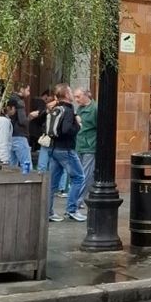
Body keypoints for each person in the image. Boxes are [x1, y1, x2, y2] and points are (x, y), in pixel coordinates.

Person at [45, 83, 86, 223]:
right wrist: (78, 125)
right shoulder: (68, 110)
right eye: (70, 91)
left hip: (53, 148)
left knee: (52, 183)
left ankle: (48, 212)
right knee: (79, 177)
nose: (72, 93)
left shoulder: (56, 108)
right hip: (66, 149)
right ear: (67, 95)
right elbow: (67, 130)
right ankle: (72, 209)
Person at [74, 87, 97, 207]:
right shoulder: (80, 108)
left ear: (86, 95)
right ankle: (80, 198)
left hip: (89, 145)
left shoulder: (95, 109)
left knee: (85, 174)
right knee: (80, 173)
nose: (76, 100)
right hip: (79, 144)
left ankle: (78, 200)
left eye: (78, 97)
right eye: (75, 97)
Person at [7, 81, 33, 174]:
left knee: (11, 166)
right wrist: (29, 117)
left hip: (10, 135)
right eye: (28, 90)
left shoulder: (8, 99)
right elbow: (22, 121)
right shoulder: (20, 102)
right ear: (21, 89)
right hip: (20, 136)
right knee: (26, 164)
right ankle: (28, 181)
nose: (29, 93)